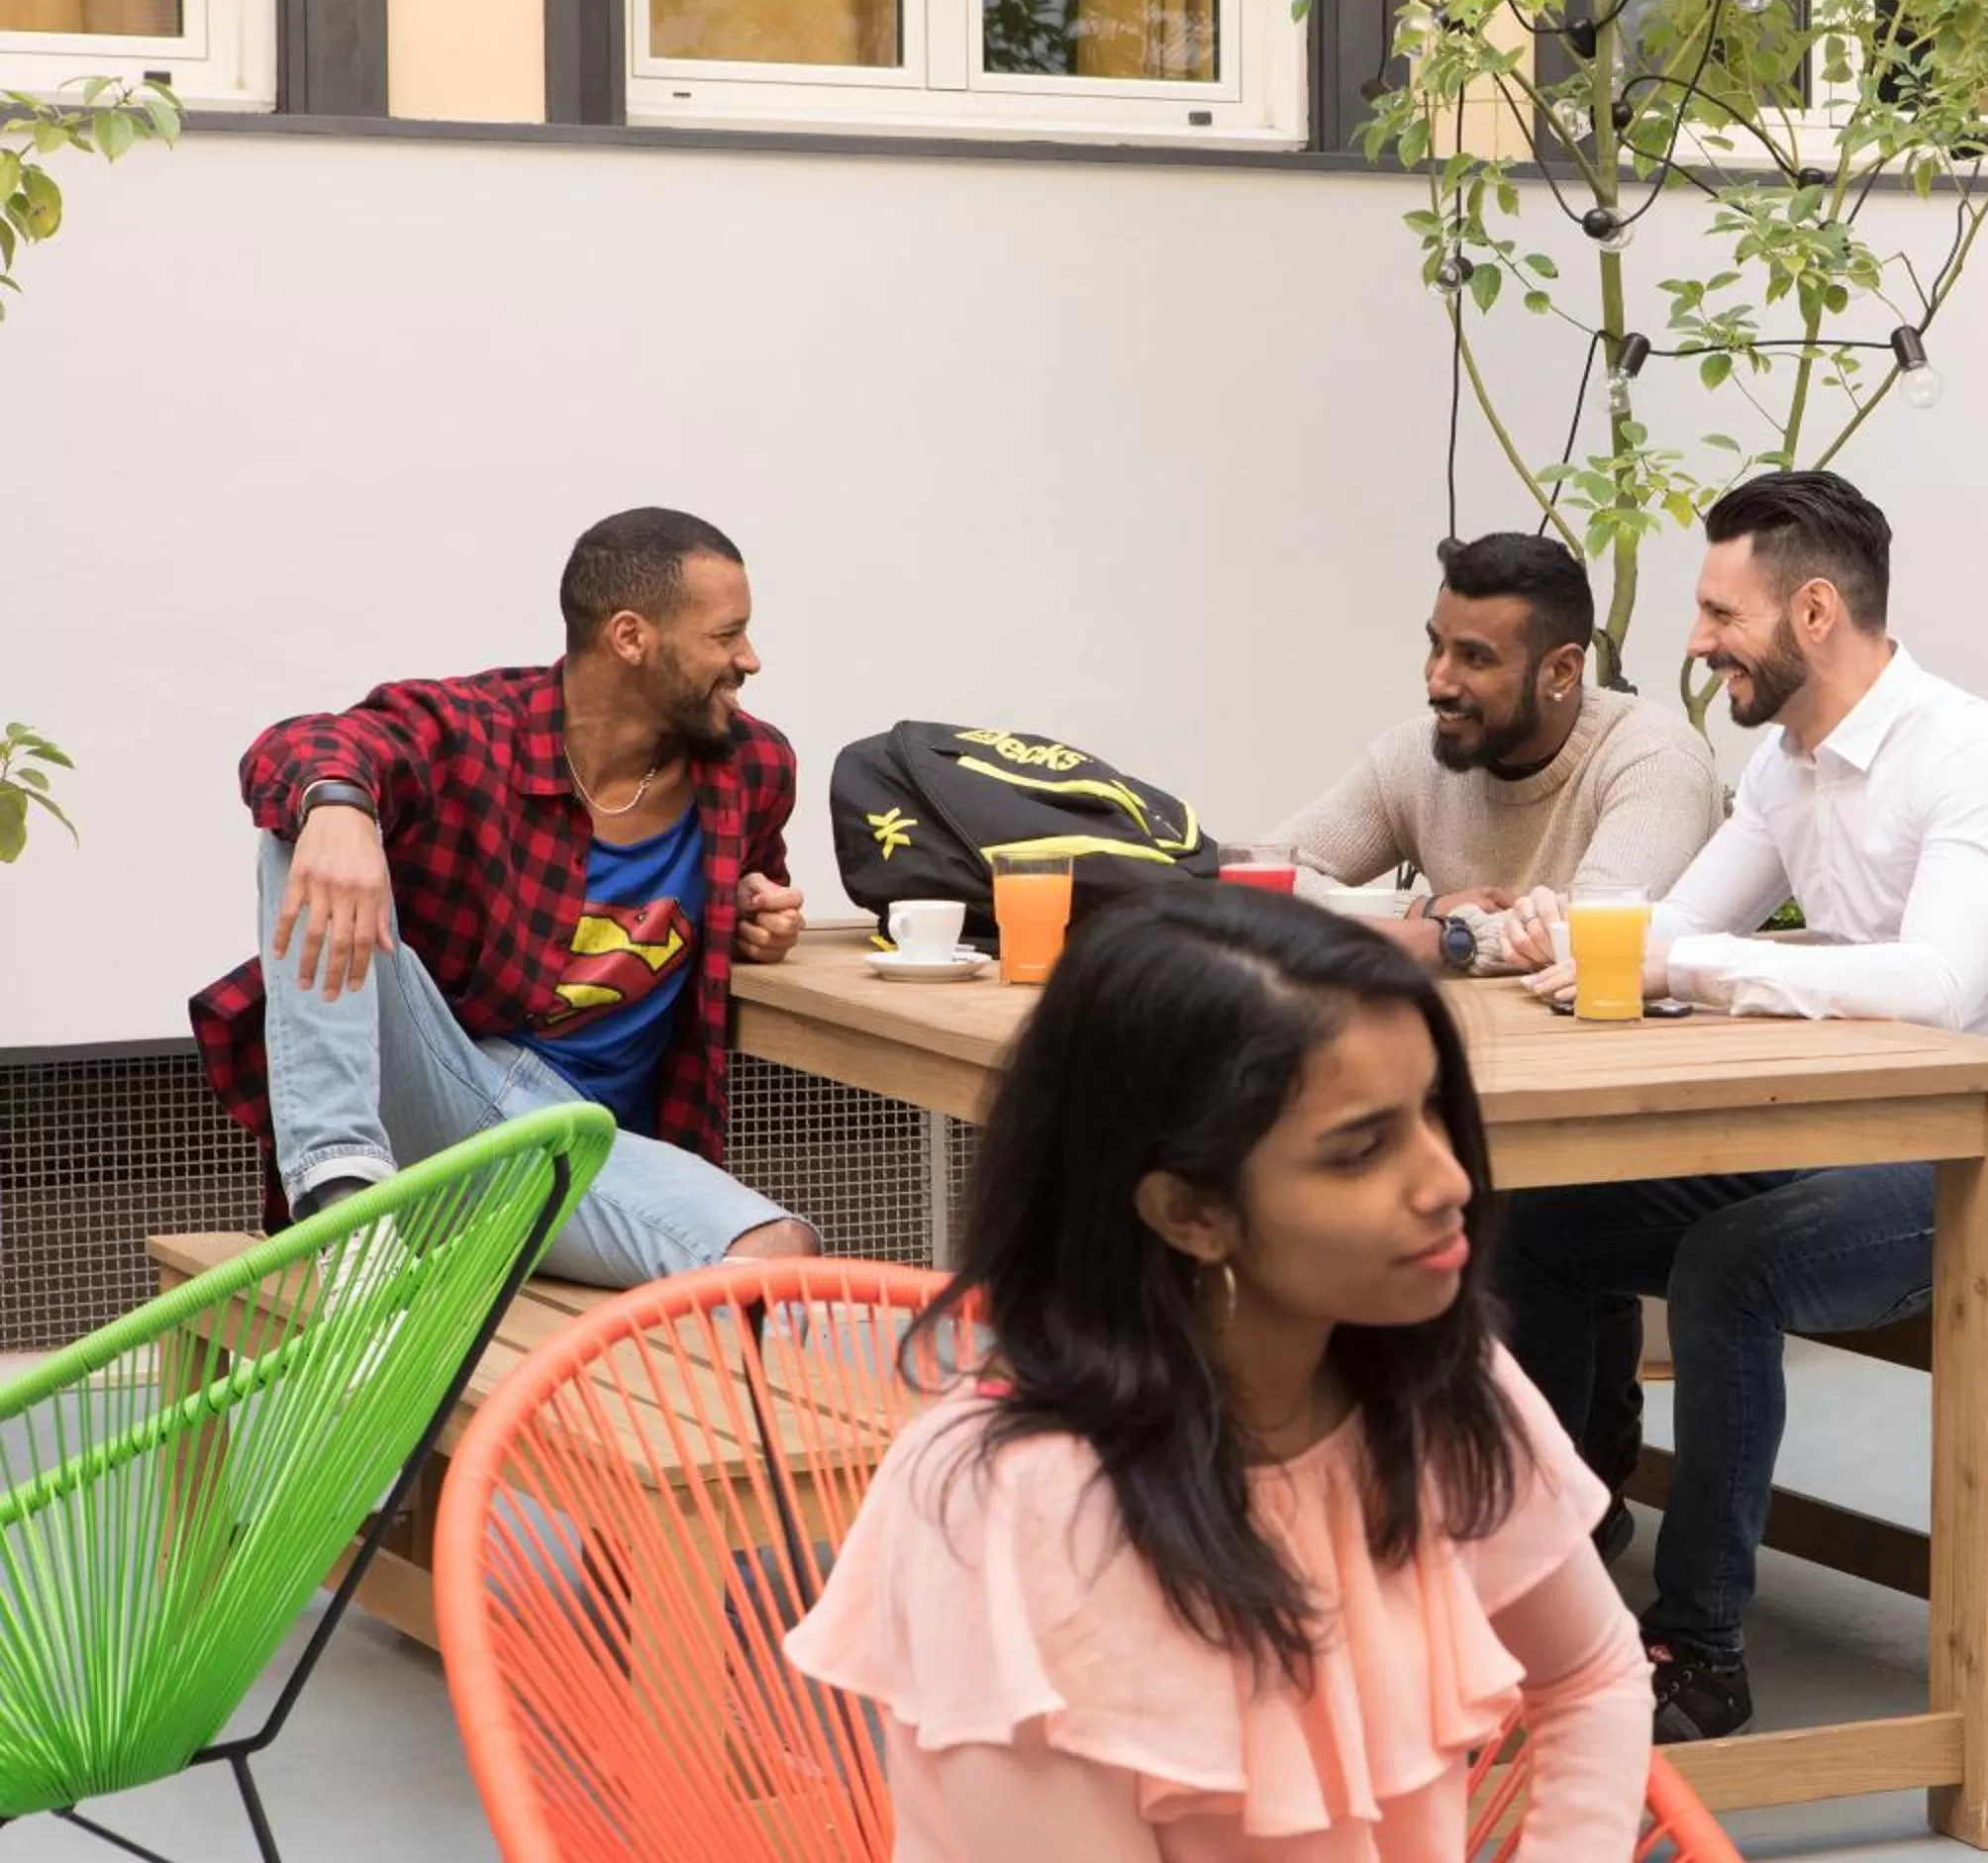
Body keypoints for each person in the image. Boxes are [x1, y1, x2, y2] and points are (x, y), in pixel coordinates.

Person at [785, 885, 1654, 1858]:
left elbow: (1591, 1675)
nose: (1448, 1178)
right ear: (1186, 1211)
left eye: (1434, 1112)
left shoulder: (1434, 1371)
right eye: (1360, 1149)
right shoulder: (1014, 1507)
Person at [1496, 470, 1988, 1743]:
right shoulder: (1788, 763)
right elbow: (1683, 924)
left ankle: (1698, 1646)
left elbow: (1937, 983)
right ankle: (1551, 1572)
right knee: (1530, 1224)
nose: (1697, 644)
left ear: (1814, 612)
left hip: (1984, 1169)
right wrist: (1555, 927)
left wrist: (1685, 964)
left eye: (1719, 613)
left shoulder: (1966, 754)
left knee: (1730, 1268)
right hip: (1831, 1144)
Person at [189, 508, 823, 1288]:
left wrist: (765, 921)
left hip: (584, 1150)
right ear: (631, 637)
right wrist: (338, 806)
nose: (750, 659)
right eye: (726, 635)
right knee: (308, 826)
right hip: (446, 1096)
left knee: (775, 1255)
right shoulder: (479, 733)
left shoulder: (752, 768)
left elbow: (757, 884)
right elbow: (303, 745)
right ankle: (345, 1209)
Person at [1274, 532, 1720, 978]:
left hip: (1631, 1041)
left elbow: (1594, 935)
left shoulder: (1655, 758)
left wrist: (1448, 939)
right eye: (1436, 647)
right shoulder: (1410, 756)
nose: (1438, 681)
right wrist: (1419, 911)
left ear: (1561, 671)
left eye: (1475, 658)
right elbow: (1260, 878)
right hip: (1478, 1034)